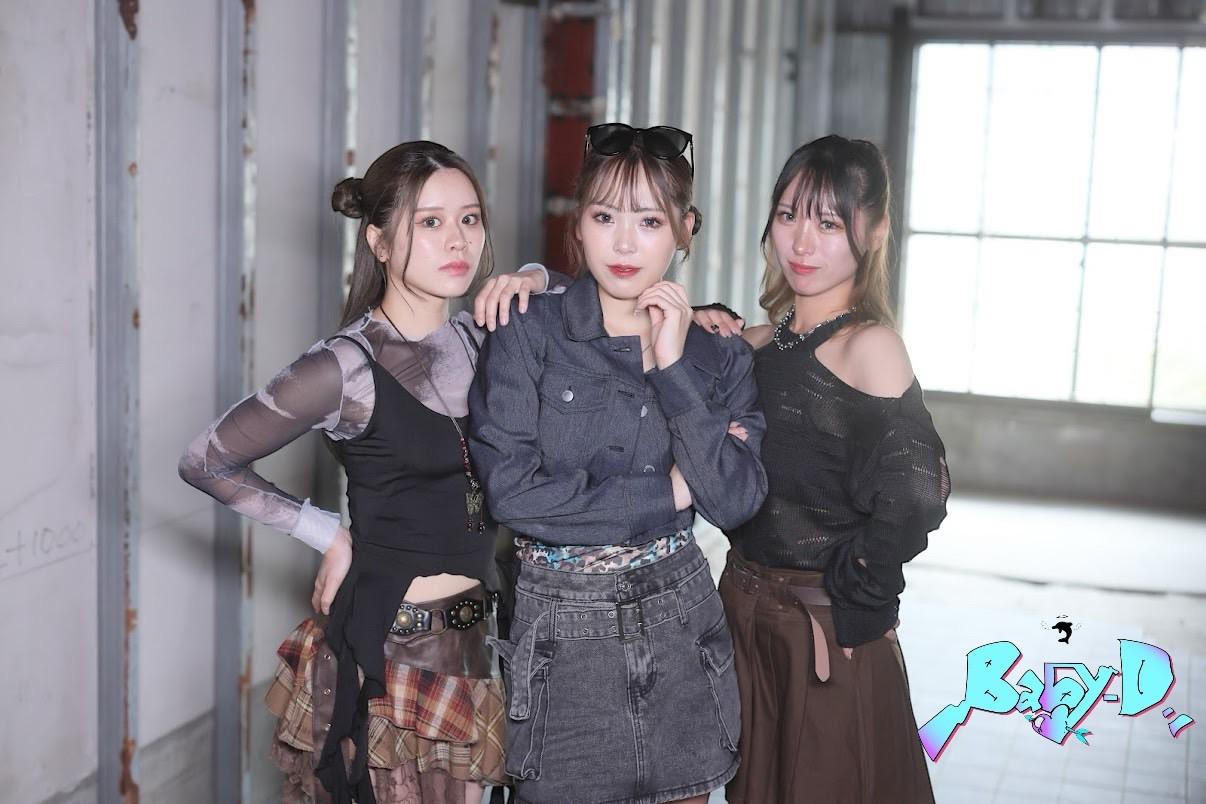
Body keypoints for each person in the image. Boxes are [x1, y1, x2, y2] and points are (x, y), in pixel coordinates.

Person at [179, 140, 566, 804]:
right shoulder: (344, 366)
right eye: (430, 221)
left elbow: (584, 297)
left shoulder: (483, 335)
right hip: (392, 654)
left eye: (469, 219)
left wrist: (528, 276)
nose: (458, 240)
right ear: (379, 243)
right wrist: (327, 534)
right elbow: (205, 459)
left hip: (479, 640)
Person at [468, 123, 768, 804]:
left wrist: (671, 367)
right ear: (578, 224)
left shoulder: (718, 356)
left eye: (650, 221)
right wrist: (668, 493)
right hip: (560, 639)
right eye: (605, 217)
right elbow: (512, 494)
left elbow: (736, 500)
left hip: (681, 625)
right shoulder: (527, 330)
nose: (625, 244)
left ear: (684, 229)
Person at [693, 134, 950, 803]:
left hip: (824, 633)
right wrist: (538, 281)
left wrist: (859, 599)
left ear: (876, 231)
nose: (802, 243)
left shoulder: (870, 345)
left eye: (829, 223)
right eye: (788, 216)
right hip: (742, 615)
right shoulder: (758, 342)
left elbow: (919, 492)